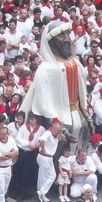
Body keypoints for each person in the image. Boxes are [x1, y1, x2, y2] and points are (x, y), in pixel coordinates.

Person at [20, 21, 91, 149]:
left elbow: (82, 91)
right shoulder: (46, 69)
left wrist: (85, 112)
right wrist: (57, 123)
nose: (66, 39)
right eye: (61, 35)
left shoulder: (76, 62)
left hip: (78, 114)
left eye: (67, 34)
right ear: (51, 42)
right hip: (58, 119)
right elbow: (43, 101)